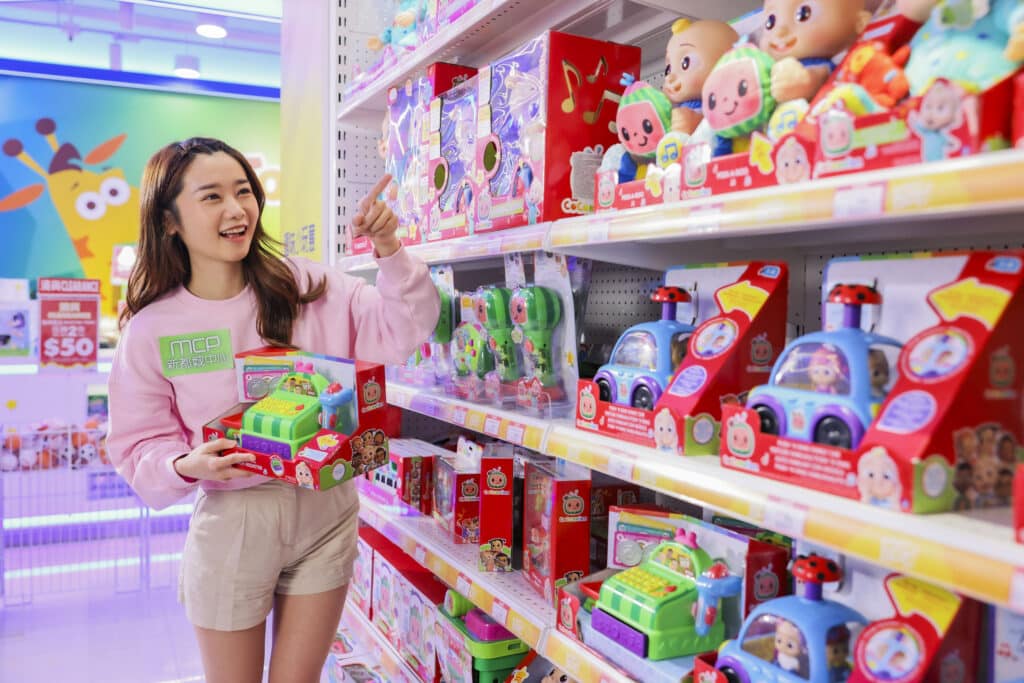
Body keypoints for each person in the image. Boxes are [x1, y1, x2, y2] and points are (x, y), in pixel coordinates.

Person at [106, 137, 439, 683]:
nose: (236, 210)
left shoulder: (307, 285)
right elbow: (136, 442)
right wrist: (186, 465)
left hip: (326, 508)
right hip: (236, 519)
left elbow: (405, 328)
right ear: (169, 221)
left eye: (244, 192)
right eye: (211, 196)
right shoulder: (151, 329)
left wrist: (389, 248)